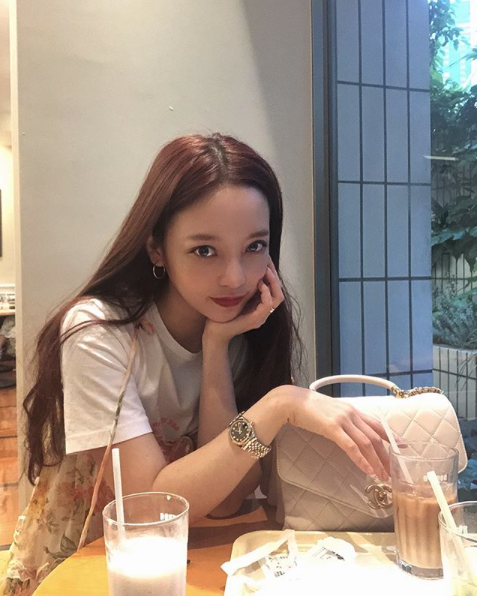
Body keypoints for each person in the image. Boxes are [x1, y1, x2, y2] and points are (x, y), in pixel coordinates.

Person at [0, 133, 389, 595]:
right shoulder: (97, 332)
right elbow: (150, 509)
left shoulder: (247, 332)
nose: (234, 277)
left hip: (184, 566)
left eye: (255, 246)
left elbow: (225, 503)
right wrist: (279, 404)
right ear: (157, 249)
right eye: (205, 250)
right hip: (86, 565)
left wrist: (217, 347)